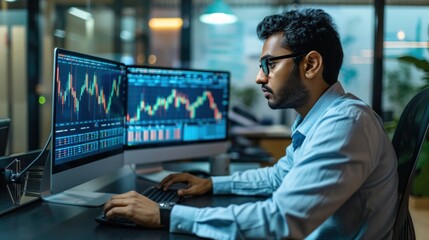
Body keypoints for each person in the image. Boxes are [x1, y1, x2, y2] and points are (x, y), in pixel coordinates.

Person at [103, 8, 398, 239]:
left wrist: (166, 215)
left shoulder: (346, 123)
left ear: (310, 64)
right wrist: (212, 184)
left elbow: (281, 221)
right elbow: (278, 178)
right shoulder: (319, 118)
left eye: (269, 64)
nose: (259, 77)